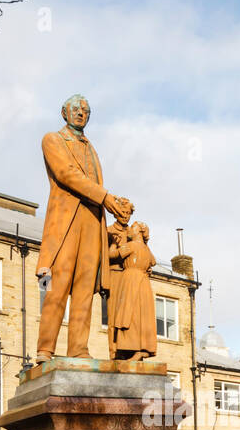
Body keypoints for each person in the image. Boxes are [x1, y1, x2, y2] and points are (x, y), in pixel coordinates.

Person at [34, 94, 131, 361]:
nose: (81, 113)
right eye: (75, 109)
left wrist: (114, 204)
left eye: (86, 110)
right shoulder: (52, 139)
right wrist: (106, 197)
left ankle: (79, 349)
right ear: (64, 113)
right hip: (65, 223)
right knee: (56, 286)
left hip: (92, 223)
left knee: (84, 292)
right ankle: (45, 349)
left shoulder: (91, 148)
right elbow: (67, 174)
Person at [107, 221, 159, 360]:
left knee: (130, 314)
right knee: (141, 315)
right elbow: (153, 262)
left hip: (131, 279)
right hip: (143, 282)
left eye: (133, 227)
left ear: (139, 232)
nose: (129, 229)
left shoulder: (131, 245)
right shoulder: (146, 249)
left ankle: (135, 348)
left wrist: (113, 242)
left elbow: (112, 255)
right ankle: (142, 349)